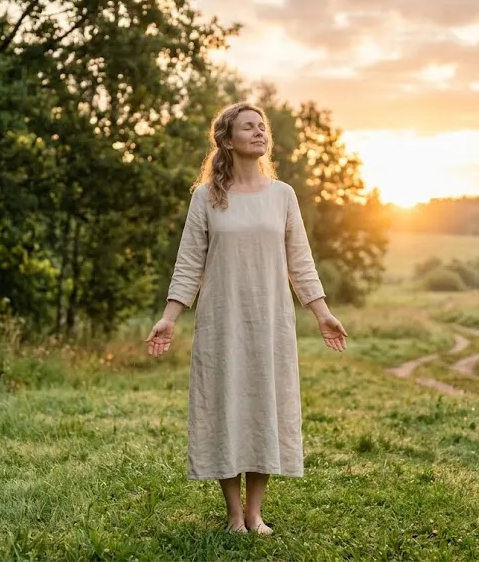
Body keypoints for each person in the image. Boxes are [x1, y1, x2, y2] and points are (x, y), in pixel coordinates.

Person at [145, 101, 349, 536]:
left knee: (264, 407)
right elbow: (188, 264)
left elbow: (301, 262)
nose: (259, 133)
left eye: (262, 127)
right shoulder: (206, 198)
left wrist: (322, 313)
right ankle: (233, 514)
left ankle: (255, 514)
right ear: (227, 139)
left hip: (271, 322)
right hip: (222, 321)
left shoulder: (283, 195)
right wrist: (169, 316)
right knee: (225, 405)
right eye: (248, 127)